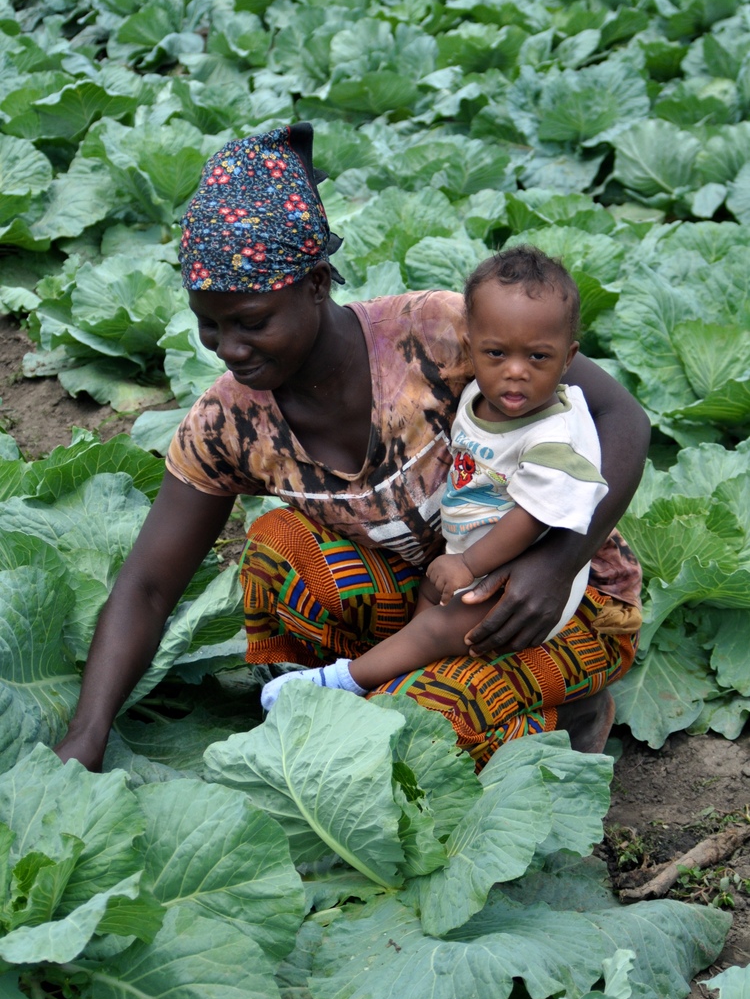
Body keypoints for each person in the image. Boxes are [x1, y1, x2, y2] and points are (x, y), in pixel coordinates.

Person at [54, 123, 647, 775]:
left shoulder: (441, 334)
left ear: (314, 285)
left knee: (414, 729)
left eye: (251, 323)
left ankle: (570, 708)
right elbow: (145, 584)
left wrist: (559, 562)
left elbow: (622, 418)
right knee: (279, 550)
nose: (229, 347)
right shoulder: (228, 422)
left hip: (559, 599)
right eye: (209, 325)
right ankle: (372, 692)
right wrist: (88, 731)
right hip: (434, 599)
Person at [259, 246, 609, 708]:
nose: (516, 372)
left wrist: (467, 566)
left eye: (539, 357)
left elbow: (530, 518)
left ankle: (347, 680)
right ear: (472, 346)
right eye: (496, 353)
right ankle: (408, 671)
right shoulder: (477, 399)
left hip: (519, 577)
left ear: (569, 359)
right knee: (427, 610)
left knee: (436, 629)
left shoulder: (556, 436)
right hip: (467, 558)